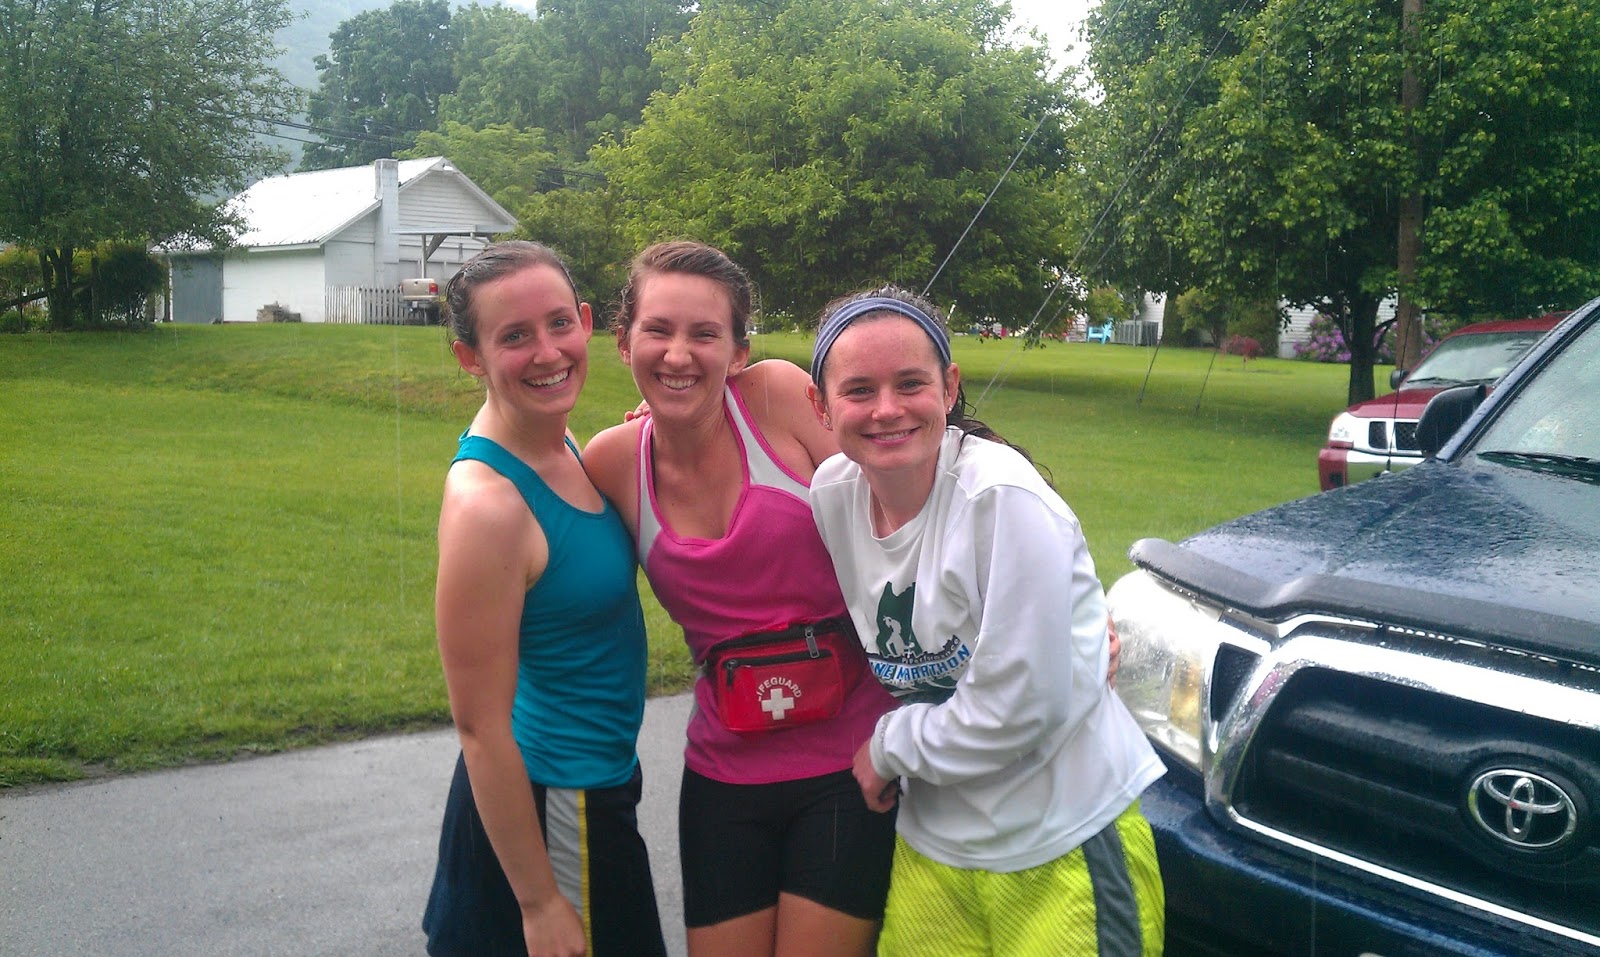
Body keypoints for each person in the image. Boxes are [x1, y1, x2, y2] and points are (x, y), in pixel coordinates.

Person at [806, 287, 1167, 956]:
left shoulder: (1000, 495)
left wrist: (887, 747)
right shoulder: (832, 493)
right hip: (934, 845)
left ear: (948, 388)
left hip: (1062, 839)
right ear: (820, 406)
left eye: (910, 383)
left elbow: (1016, 707)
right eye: (858, 390)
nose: (886, 408)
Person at [583, 241, 901, 957]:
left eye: (705, 334)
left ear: (738, 351)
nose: (678, 354)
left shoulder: (779, 399)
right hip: (723, 775)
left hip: (849, 761)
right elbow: (556, 567)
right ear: (624, 340)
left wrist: (1054, 603)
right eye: (658, 330)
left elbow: (911, 494)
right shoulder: (611, 462)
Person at [421, 241, 667, 957]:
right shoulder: (490, 505)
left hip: (592, 786)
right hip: (555, 807)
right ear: (470, 357)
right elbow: (479, 728)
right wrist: (537, 901)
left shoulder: (558, 443)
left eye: (559, 323)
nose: (547, 352)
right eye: (514, 336)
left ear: (586, 321)